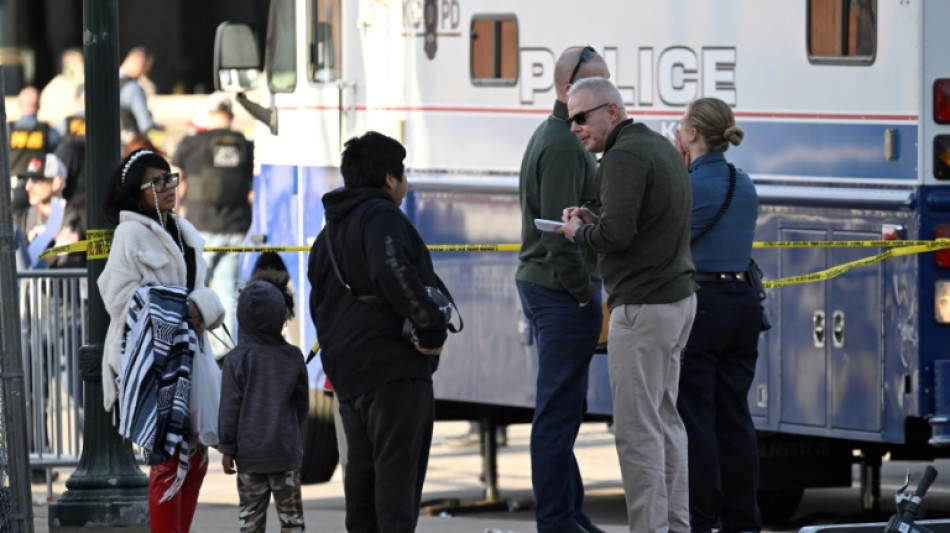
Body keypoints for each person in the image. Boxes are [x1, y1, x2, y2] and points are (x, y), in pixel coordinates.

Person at [557, 77, 698, 533]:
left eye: (582, 117)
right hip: (676, 302)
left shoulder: (621, 157)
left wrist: (580, 232)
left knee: (638, 435)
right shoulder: (657, 147)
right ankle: (675, 526)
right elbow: (635, 222)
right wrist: (597, 219)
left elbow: (616, 237)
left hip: (642, 307)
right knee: (666, 423)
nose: (575, 127)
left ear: (612, 112)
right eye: (569, 119)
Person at [307, 131, 448, 532]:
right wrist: (431, 332)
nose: (405, 184)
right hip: (394, 374)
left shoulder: (329, 232)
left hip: (350, 377)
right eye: (402, 175)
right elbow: (396, 274)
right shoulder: (383, 218)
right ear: (389, 178)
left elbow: (320, 303)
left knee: (362, 485)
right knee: (396, 485)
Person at [99, 149, 224, 533]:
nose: (168, 188)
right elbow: (117, 297)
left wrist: (203, 305)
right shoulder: (129, 232)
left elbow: (200, 290)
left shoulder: (184, 231)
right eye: (156, 183)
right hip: (153, 361)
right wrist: (182, 308)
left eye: (170, 179)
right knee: (168, 457)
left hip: (192, 355)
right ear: (138, 193)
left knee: (197, 455)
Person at [515, 45, 610, 533]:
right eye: (596, 83)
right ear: (571, 87)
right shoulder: (564, 144)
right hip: (559, 291)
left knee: (565, 410)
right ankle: (557, 520)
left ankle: (570, 514)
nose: (605, 92)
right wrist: (579, 292)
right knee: (556, 414)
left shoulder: (555, 136)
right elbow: (557, 231)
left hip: (552, 289)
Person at [674, 97, 762, 533]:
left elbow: (658, 239)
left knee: (696, 418)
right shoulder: (743, 183)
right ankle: (743, 520)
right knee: (735, 415)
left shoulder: (688, 186)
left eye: (680, 126)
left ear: (692, 134)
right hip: (744, 304)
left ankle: (702, 518)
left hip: (703, 304)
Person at [219, 269, 308, 533]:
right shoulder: (292, 356)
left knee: (250, 522)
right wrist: (296, 437)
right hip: (284, 453)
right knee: (292, 521)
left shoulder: (235, 360)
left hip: (249, 456)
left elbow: (229, 408)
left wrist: (227, 448)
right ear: (282, 315)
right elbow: (302, 406)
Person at [172, 92, 254, 352]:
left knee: (195, 291)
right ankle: (226, 353)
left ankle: (194, 350)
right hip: (236, 230)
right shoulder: (245, 145)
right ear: (230, 116)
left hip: (200, 230)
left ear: (209, 115)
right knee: (229, 294)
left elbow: (176, 178)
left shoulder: (191, 143)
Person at [9, 86, 63, 230]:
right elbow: (59, 158)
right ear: (38, 106)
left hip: (11, 190)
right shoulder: (47, 132)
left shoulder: (7, 130)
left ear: (19, 105)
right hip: (39, 191)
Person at [119, 47, 163, 140]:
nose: (145, 73)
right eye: (147, 68)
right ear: (141, 64)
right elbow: (146, 125)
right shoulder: (133, 88)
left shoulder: (105, 82)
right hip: (129, 144)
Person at [39, 48, 84, 125]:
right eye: (68, 62)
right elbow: (44, 116)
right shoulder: (55, 86)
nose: (71, 66)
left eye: (74, 62)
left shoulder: (91, 83)